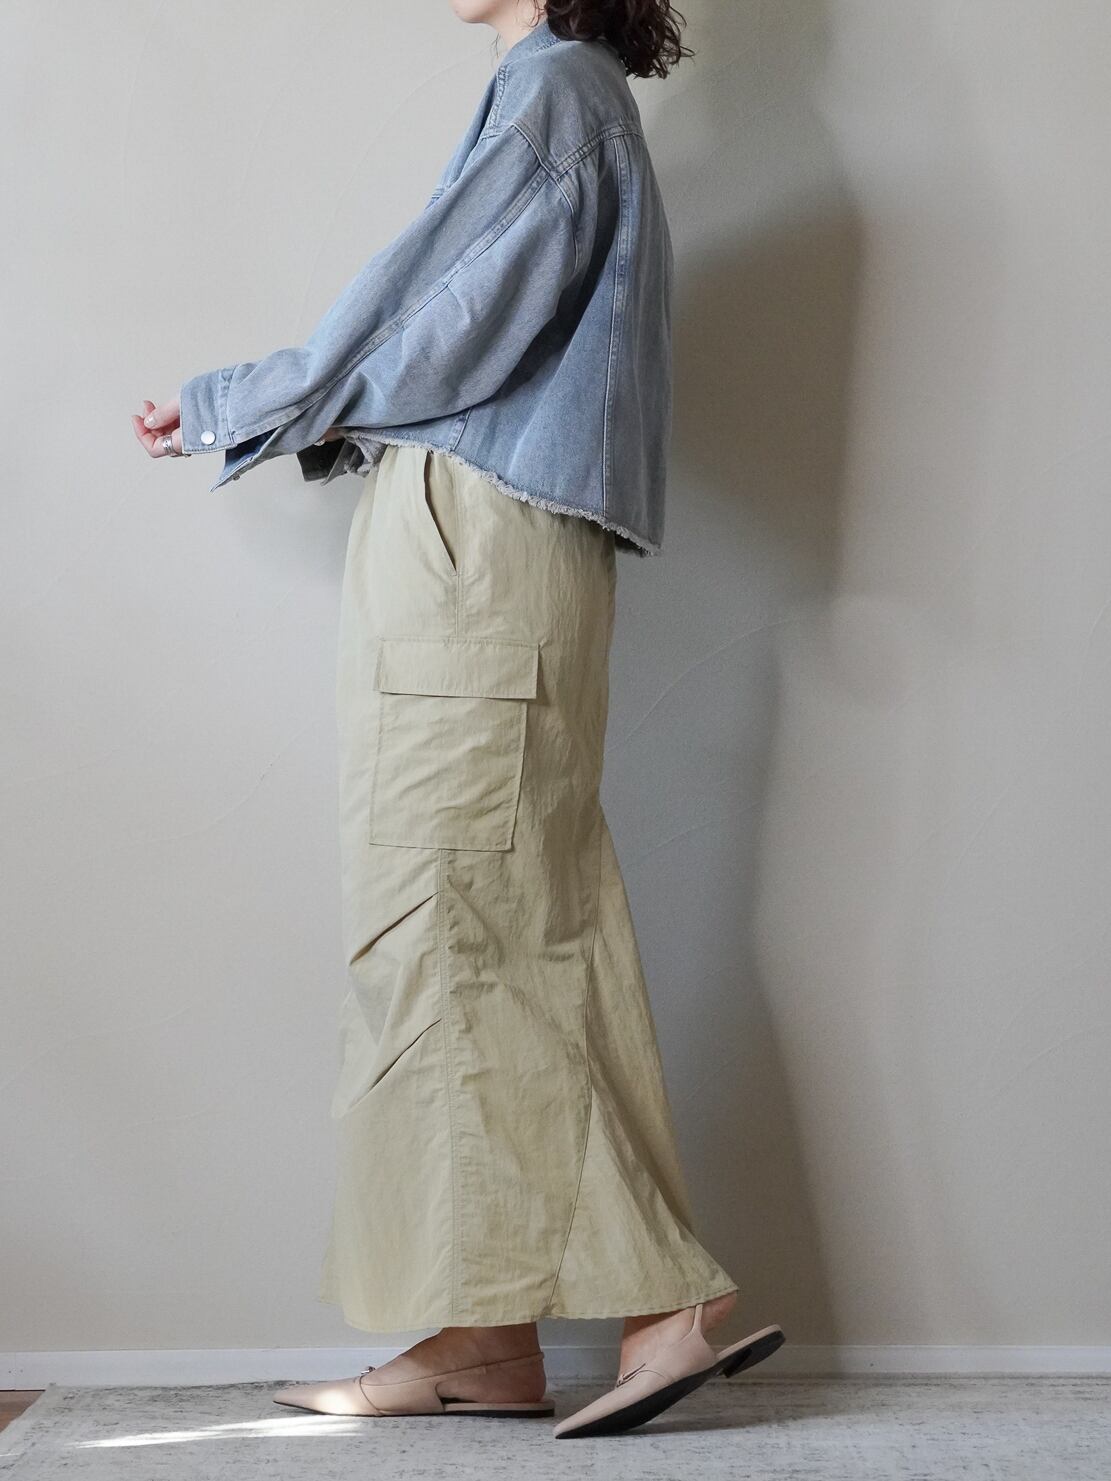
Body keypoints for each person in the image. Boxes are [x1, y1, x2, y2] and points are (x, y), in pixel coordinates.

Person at [132, 0, 783, 1439]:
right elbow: (462, 324)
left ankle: (663, 1301)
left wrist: (249, 399)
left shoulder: (555, 90)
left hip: (476, 547)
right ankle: (486, 1338)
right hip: (484, 541)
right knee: (474, 913)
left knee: (466, 918)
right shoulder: (568, 94)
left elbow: (439, 319)